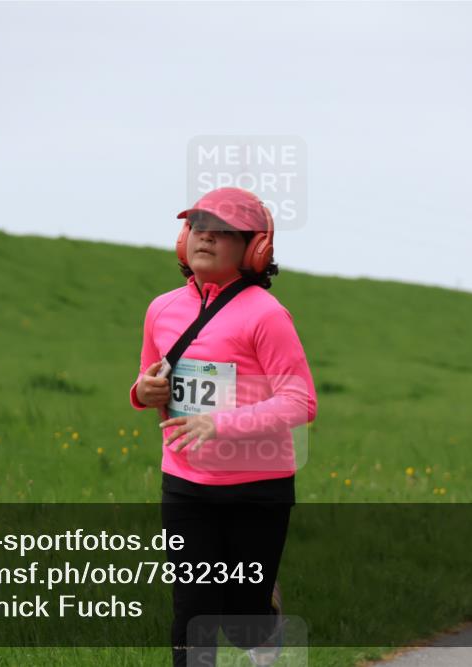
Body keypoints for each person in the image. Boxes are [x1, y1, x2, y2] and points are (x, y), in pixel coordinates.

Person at [129, 187, 318, 666]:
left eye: (222, 232)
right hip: (185, 483)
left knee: (242, 618)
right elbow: (150, 379)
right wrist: (141, 393)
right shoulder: (161, 309)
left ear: (254, 248)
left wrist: (222, 425)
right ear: (182, 238)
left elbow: (301, 401)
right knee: (191, 609)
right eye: (197, 227)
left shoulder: (266, 315)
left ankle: (264, 618)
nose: (205, 239)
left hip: (258, 487)